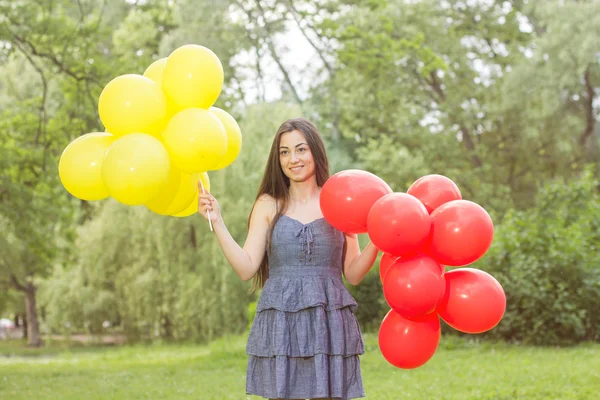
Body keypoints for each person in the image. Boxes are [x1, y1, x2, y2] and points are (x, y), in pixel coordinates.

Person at [198, 118, 379, 400]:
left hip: (327, 320)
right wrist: (217, 222)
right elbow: (246, 268)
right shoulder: (268, 204)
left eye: (300, 149)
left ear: (315, 152)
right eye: (284, 152)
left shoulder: (339, 202)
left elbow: (353, 274)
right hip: (283, 319)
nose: (293, 159)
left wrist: (379, 240)